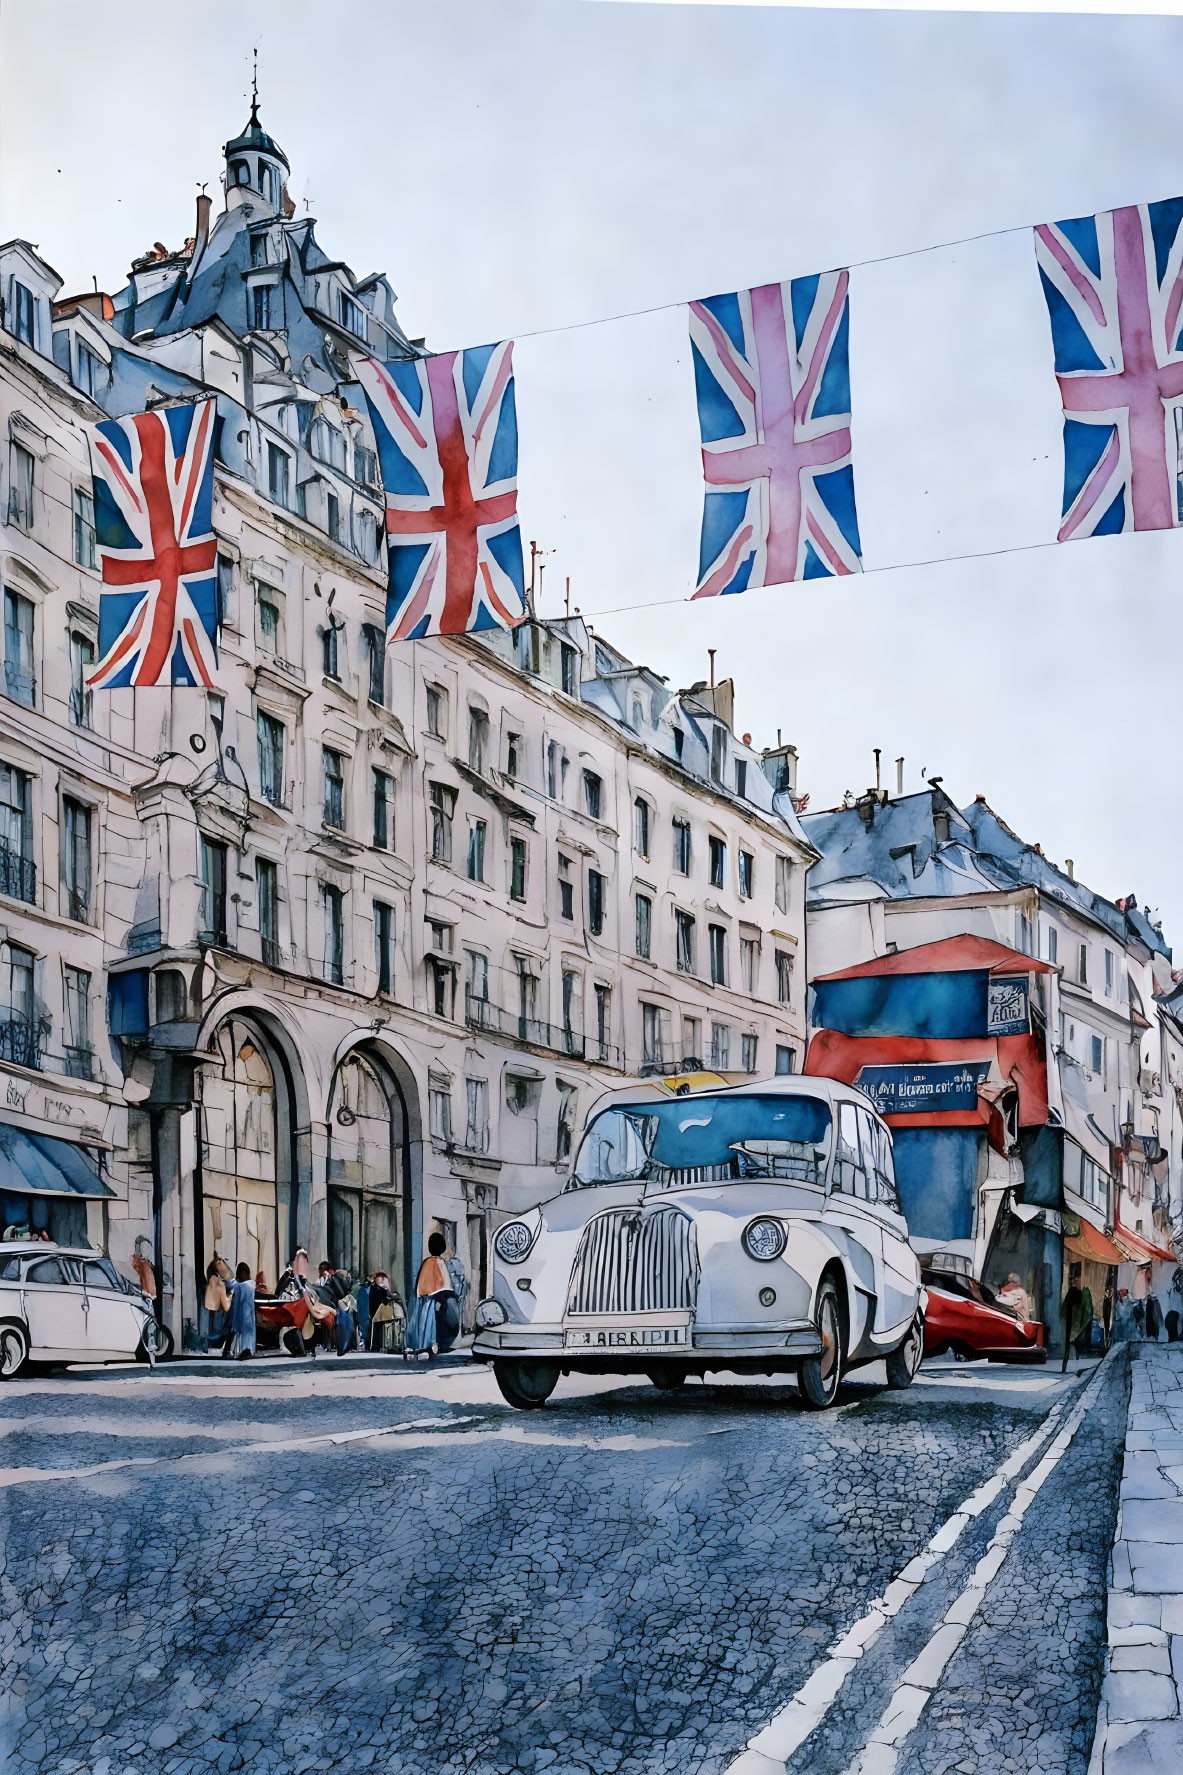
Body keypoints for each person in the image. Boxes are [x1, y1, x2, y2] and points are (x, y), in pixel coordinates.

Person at [405, 1233, 456, 1359]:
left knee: (421, 1323)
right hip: (436, 1298)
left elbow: (419, 1283)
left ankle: (420, 1346)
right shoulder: (440, 1262)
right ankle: (430, 1345)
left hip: (423, 1298)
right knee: (433, 1323)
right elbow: (445, 1283)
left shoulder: (426, 1262)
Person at [226, 1262, 257, 1360]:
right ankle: (247, 1349)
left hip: (243, 1313)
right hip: (248, 1313)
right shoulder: (251, 1285)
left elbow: (236, 1303)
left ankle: (244, 1350)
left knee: (242, 1331)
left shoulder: (242, 1286)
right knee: (249, 1332)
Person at [202, 1256, 232, 1353]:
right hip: (219, 1319)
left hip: (211, 1319)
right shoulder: (219, 1284)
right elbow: (227, 1307)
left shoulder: (209, 1283)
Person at [1061, 1268, 1083, 1373]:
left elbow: (1065, 1309)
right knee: (1073, 1343)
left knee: (1072, 1344)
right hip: (1073, 1321)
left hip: (1074, 1321)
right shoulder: (1075, 1292)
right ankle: (1069, 1366)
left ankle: (1068, 1366)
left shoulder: (1079, 1292)